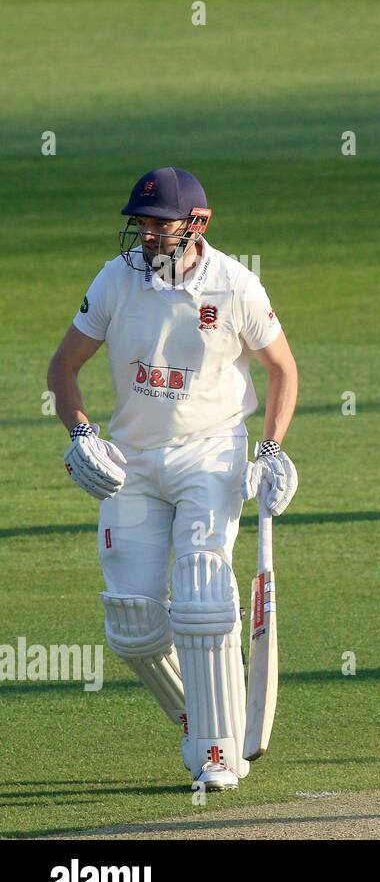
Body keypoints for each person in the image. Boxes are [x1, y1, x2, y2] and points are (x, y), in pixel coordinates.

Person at [46, 167, 300, 791]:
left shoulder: (235, 284)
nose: (149, 236)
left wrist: (268, 449)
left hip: (209, 454)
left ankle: (218, 754)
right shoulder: (114, 279)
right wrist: (81, 433)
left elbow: (282, 371)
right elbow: (63, 368)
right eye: (143, 224)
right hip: (131, 462)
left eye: (161, 225)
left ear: (197, 224)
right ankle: (203, 714)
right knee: (132, 624)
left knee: (202, 592)